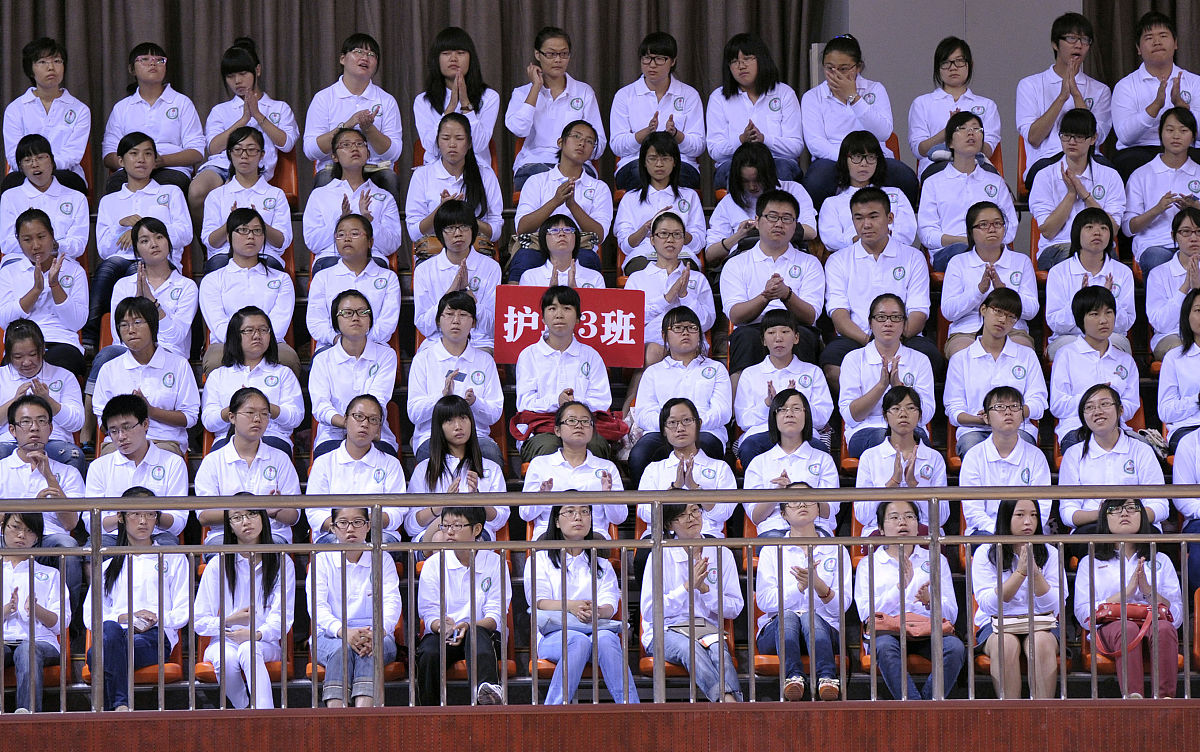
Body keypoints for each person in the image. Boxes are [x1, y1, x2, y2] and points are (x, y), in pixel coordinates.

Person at [820, 189, 938, 386]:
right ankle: (860, 413)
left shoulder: (912, 257)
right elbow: (839, 316)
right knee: (832, 366)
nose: (866, 224)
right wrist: (871, 342)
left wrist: (893, 342)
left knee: (929, 358)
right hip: (857, 338)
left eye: (873, 216)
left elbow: (918, 312)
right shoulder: (838, 260)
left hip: (905, 337)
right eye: (858, 218)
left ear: (890, 218)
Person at [525, 504, 640, 704]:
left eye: (584, 512)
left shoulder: (602, 564)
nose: (578, 517)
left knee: (607, 639)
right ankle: (553, 711)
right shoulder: (539, 560)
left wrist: (596, 611)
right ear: (556, 521)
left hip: (595, 629)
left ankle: (631, 709)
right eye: (570, 512)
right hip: (553, 634)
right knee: (577, 641)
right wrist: (571, 606)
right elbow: (539, 601)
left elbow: (610, 605)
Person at [86, 131, 190, 350]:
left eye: (148, 154)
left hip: (159, 263)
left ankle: (144, 335)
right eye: (134, 153)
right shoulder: (110, 201)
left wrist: (144, 228)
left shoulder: (171, 192)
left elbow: (185, 234)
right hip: (119, 260)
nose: (141, 159)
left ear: (155, 160)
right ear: (121, 161)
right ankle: (91, 333)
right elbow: (104, 249)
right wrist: (119, 226)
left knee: (138, 268)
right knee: (108, 266)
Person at [854, 500, 964, 700]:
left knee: (955, 648)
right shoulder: (868, 563)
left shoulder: (936, 559)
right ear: (881, 528)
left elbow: (952, 613)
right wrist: (900, 588)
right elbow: (865, 613)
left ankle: (924, 706)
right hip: (888, 630)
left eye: (909, 517)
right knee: (885, 648)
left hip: (928, 628)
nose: (902, 522)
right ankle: (916, 706)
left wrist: (930, 602)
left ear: (918, 524)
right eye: (894, 517)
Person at [1074, 498, 1183, 699]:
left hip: (1153, 625)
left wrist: (1147, 590)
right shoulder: (1090, 561)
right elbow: (1084, 614)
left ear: (1142, 517)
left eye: (1132, 508)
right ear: (1104, 519)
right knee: (1127, 627)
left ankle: (1166, 700)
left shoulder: (1160, 559)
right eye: (1115, 509)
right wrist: (1126, 593)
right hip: (1110, 629)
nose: (1124, 513)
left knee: (1165, 628)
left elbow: (1176, 615)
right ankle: (1134, 699)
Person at [83, 509, 190, 711]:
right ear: (121, 518)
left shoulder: (173, 559)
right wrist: (125, 617)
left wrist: (155, 619)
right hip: (116, 633)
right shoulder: (108, 564)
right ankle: (120, 706)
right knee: (110, 631)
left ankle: (113, 709)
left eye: (150, 515)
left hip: (154, 635)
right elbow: (91, 615)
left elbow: (183, 610)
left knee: (98, 655)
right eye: (135, 514)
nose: (143, 521)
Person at [640, 502, 744, 702]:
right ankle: (730, 702)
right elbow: (650, 610)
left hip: (706, 628)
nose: (691, 518)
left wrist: (705, 590)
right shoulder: (660, 554)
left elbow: (735, 608)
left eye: (695, 510)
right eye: (682, 514)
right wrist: (686, 588)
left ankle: (729, 705)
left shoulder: (721, 553)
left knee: (719, 654)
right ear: (670, 525)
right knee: (691, 648)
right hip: (666, 629)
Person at [194, 508, 297, 709]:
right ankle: (245, 710)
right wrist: (228, 622)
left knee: (249, 649)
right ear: (230, 527)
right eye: (237, 517)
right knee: (228, 657)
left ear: (263, 519)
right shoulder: (219, 563)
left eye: (251, 514)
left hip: (265, 641)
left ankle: (264, 715)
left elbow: (283, 617)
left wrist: (255, 634)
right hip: (224, 640)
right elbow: (199, 620)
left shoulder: (282, 562)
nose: (245, 521)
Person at [188, 38, 298, 224]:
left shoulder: (279, 108)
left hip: (257, 168)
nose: (237, 81)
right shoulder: (220, 110)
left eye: (242, 73)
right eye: (230, 76)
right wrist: (244, 120)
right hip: (221, 168)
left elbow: (287, 144)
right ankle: (208, 248)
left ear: (257, 70)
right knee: (196, 192)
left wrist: (258, 115)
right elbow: (213, 148)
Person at [802, 34, 918, 208]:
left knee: (906, 179)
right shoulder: (813, 97)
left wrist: (854, 97)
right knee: (815, 182)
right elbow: (815, 143)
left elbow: (884, 132)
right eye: (829, 68)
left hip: (874, 156)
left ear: (858, 67)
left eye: (844, 68)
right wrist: (849, 160)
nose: (835, 74)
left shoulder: (875, 89)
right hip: (832, 159)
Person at [0, 394, 84, 633]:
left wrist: (50, 477)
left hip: (49, 540)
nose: (34, 428)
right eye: (26, 422)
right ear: (13, 430)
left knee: (68, 546)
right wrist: (30, 508)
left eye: (41, 421)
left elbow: (71, 522)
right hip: (6, 539)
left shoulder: (67, 473)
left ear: (51, 429)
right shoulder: (1, 470)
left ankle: (67, 624)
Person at [755, 500, 852, 701]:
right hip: (776, 633)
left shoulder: (836, 549)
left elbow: (842, 607)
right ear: (782, 514)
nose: (802, 505)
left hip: (825, 632)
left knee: (810, 617)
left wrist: (818, 585)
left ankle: (823, 680)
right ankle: (800, 677)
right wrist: (799, 588)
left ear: (818, 509)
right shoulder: (772, 550)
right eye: (794, 502)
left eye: (808, 501)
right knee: (789, 616)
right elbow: (764, 602)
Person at [720, 189, 825, 374]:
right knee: (745, 339)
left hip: (796, 328)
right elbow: (735, 315)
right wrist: (765, 297)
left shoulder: (810, 263)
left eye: (786, 218)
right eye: (772, 217)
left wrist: (787, 295)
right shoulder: (736, 263)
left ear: (795, 226)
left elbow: (810, 317)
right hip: (752, 328)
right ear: (758, 221)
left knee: (804, 337)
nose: (779, 224)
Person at [416, 506, 510, 705]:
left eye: (457, 526)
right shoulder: (434, 564)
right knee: (430, 651)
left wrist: (468, 626)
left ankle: (487, 699)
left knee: (476, 636)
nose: (449, 532)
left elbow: (496, 614)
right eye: (446, 525)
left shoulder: (494, 562)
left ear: (476, 530)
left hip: (483, 633)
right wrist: (441, 626)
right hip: (445, 633)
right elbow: (428, 611)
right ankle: (429, 712)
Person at [310, 506, 402, 708]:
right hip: (330, 635)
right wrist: (344, 631)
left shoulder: (382, 558)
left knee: (371, 649)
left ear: (368, 526)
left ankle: (364, 717)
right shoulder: (321, 559)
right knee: (342, 649)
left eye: (357, 522)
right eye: (343, 523)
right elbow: (317, 607)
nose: (350, 528)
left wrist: (377, 633)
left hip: (377, 634)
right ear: (333, 528)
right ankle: (335, 717)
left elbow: (392, 602)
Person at [970, 500, 1062, 699]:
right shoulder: (985, 553)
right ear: (1006, 518)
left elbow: (1055, 605)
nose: (1028, 522)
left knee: (1041, 643)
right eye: (1020, 515)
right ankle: (1012, 720)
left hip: (1041, 622)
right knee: (1006, 644)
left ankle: (1044, 715)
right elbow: (988, 605)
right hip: (995, 624)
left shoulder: (1051, 553)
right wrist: (1019, 574)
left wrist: (1035, 574)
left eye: (1034, 515)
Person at [628, 308, 729, 483]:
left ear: (699, 334)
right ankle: (650, 507)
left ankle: (701, 506)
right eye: (678, 328)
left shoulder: (716, 369)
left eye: (691, 328)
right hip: (661, 433)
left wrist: (691, 426)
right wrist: (671, 427)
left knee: (707, 446)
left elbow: (722, 411)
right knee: (640, 455)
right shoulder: (654, 372)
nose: (685, 333)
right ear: (664, 335)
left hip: (704, 431)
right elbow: (644, 414)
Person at [944, 288, 1046, 456]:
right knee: (973, 448)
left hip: (1017, 428)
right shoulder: (961, 358)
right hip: (974, 429)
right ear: (983, 310)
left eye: (1010, 316)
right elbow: (954, 409)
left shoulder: (1026, 355)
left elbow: (1038, 401)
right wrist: (985, 419)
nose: (1002, 320)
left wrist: (1010, 415)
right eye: (998, 311)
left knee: (1020, 447)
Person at [92, 297, 199, 457]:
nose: (131, 330)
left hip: (164, 441)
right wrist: (129, 422)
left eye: (137, 322)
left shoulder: (178, 365)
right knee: (108, 460)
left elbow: (189, 417)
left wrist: (151, 411)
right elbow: (103, 423)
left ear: (152, 325)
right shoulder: (109, 369)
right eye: (123, 325)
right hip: (120, 444)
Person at [514, 286, 611, 461]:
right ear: (542, 317)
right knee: (549, 449)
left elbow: (602, 401)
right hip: (542, 430)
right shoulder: (529, 355)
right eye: (552, 308)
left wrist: (574, 407)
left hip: (582, 427)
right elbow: (524, 402)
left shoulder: (590, 356)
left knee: (596, 447)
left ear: (579, 317)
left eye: (567, 308)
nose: (559, 314)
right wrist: (555, 402)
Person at [199, 208, 299, 377]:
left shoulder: (282, 279)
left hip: (271, 343)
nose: (251, 236)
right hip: (226, 344)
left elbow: (280, 323)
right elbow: (217, 324)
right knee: (216, 360)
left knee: (288, 358)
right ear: (229, 236)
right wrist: (244, 343)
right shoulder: (212, 280)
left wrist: (258, 341)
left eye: (257, 231)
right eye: (243, 230)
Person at [1016, 12, 1112, 188]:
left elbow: (1095, 139)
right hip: (1047, 160)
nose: (1079, 45)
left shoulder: (1100, 90)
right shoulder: (1030, 85)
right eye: (1072, 38)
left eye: (1084, 40)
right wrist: (1062, 97)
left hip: (1088, 160)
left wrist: (1076, 95)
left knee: (1110, 175)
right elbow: (1034, 138)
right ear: (1055, 44)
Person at [195, 387, 300, 545]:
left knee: (272, 551)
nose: (258, 419)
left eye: (264, 414)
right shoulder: (213, 461)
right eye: (250, 413)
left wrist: (276, 512)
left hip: (271, 533)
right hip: (225, 535)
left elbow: (293, 516)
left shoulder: (280, 459)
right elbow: (204, 515)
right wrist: (249, 511)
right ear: (232, 417)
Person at [303, 33, 402, 199]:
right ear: (342, 59)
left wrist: (369, 130)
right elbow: (311, 151)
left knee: (389, 178)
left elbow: (394, 154)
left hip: (375, 169)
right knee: (324, 179)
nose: (365, 58)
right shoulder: (324, 98)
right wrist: (347, 125)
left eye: (371, 55)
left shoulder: (386, 100)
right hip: (334, 168)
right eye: (358, 52)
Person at [835, 294, 935, 458]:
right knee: (885, 440)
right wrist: (881, 386)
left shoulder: (920, 360)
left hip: (909, 429)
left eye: (895, 317)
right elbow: (851, 416)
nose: (888, 323)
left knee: (910, 440)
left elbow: (925, 415)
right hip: (866, 430)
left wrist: (898, 388)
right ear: (870, 323)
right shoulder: (854, 359)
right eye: (881, 317)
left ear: (904, 324)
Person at [510, 120, 611, 282]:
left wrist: (572, 205)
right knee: (524, 258)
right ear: (560, 142)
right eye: (576, 136)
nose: (582, 143)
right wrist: (555, 201)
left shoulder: (599, 187)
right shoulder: (537, 181)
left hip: (579, 247)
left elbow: (598, 236)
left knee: (588, 260)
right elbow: (522, 228)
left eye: (589, 141)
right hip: (537, 245)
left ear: (593, 150)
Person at [407, 294, 503, 465]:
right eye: (449, 314)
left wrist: (475, 402)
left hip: (476, 436)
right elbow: (414, 413)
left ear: (473, 323)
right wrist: (441, 396)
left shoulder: (484, 360)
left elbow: (494, 413)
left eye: (463, 315)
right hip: (432, 435)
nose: (456, 321)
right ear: (438, 321)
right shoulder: (423, 359)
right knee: (434, 460)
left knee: (490, 455)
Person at [1059, 384, 1167, 535]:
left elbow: (1161, 506)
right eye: (1089, 407)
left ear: (1120, 410)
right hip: (1093, 527)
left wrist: (1129, 516)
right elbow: (1067, 512)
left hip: (1137, 526)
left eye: (1104, 404)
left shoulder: (1142, 450)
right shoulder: (1073, 455)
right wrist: (1104, 515)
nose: (1097, 411)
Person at [505, 26, 605, 189]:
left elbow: (598, 144)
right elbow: (519, 129)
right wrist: (536, 87)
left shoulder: (584, 92)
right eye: (551, 54)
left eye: (564, 54)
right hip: (534, 165)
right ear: (537, 54)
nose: (558, 60)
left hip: (576, 165)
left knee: (574, 184)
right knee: (542, 184)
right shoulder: (521, 93)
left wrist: (576, 153)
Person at [1028, 108, 1126, 271]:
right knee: (1081, 256)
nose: (1071, 142)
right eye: (1066, 135)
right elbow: (1048, 231)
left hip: (1099, 248)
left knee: (1101, 260)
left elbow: (1113, 229)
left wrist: (1085, 195)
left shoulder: (1110, 176)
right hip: (1057, 247)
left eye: (1079, 136)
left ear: (1093, 138)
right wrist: (1071, 194)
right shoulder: (1045, 176)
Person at [917, 115, 1018, 272]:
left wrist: (984, 241)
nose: (971, 133)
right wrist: (966, 241)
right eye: (962, 129)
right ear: (949, 142)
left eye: (976, 128)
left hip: (991, 248)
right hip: (950, 252)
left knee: (1019, 261)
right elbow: (927, 234)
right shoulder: (933, 183)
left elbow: (1010, 227)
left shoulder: (995, 182)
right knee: (962, 253)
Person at [101, 42, 204, 194]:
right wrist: (133, 163)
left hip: (171, 169)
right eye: (144, 59)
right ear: (131, 69)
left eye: (159, 60)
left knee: (168, 189)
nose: (153, 63)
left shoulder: (181, 103)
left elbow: (196, 150)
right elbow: (109, 154)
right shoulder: (122, 108)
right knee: (115, 185)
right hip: (130, 171)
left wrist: (161, 161)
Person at [84, 394, 188, 544]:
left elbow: (178, 522)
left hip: (156, 534)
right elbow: (90, 522)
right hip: (112, 536)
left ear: (145, 424)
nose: (121, 437)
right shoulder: (99, 466)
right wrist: (126, 516)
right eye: (113, 431)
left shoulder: (173, 463)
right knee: (91, 553)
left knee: (169, 548)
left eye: (127, 428)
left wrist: (150, 515)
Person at [733, 310, 834, 464]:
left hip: (802, 435)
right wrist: (768, 404)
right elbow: (743, 420)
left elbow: (822, 417)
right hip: (761, 434)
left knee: (819, 450)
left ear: (796, 338)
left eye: (785, 332)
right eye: (771, 332)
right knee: (748, 448)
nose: (778, 338)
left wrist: (798, 404)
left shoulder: (812, 372)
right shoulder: (750, 374)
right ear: (763, 340)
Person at [307, 395, 408, 546]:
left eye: (373, 419)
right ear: (345, 420)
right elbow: (314, 513)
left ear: (379, 428)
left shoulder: (390, 464)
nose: (365, 424)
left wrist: (362, 526)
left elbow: (397, 512)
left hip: (378, 534)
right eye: (359, 417)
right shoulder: (323, 462)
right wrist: (345, 527)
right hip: (334, 534)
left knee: (381, 546)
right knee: (334, 545)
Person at [940, 203, 1038, 358]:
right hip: (968, 330)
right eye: (983, 225)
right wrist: (979, 291)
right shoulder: (958, 262)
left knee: (1023, 351)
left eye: (997, 223)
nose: (992, 229)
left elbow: (1032, 310)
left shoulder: (1021, 261)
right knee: (962, 353)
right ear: (971, 232)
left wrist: (1004, 292)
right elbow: (949, 311)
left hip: (1011, 329)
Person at [405, 395, 507, 545]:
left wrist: (478, 500)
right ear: (439, 427)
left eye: (463, 418)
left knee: (465, 536)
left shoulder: (491, 468)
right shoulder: (424, 469)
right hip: (432, 535)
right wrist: (443, 504)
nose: (458, 426)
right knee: (441, 537)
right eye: (449, 420)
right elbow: (410, 525)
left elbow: (500, 519)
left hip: (475, 533)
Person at [201, 306, 304, 453]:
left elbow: (295, 418)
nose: (257, 336)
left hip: (271, 436)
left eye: (263, 330)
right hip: (229, 438)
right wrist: (239, 408)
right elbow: (209, 421)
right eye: (249, 330)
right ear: (235, 335)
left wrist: (263, 407)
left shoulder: (283, 373)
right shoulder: (219, 376)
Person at [1110, 12, 1200, 180]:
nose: (1157, 42)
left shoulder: (1195, 82)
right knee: (1129, 161)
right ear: (1138, 48)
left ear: (1176, 43)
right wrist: (1155, 107)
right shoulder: (1125, 86)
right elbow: (1125, 137)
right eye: (1149, 37)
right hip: (1141, 149)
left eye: (1163, 36)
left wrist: (1182, 107)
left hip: (1187, 149)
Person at [302, 127, 403, 275]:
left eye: (359, 144)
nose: (354, 148)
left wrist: (370, 221)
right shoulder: (320, 194)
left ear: (367, 154)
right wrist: (340, 221)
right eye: (346, 145)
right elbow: (313, 243)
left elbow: (392, 244)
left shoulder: (384, 197)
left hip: (371, 258)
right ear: (334, 156)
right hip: (331, 257)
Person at [706, 32, 803, 188]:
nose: (741, 66)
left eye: (747, 59)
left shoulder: (784, 93)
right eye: (734, 61)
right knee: (733, 172)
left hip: (777, 161)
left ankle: (775, 213)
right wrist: (741, 140)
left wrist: (764, 139)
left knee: (782, 170)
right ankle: (740, 213)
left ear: (761, 59)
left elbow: (795, 146)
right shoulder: (719, 97)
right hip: (734, 162)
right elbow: (715, 150)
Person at [309, 290, 398, 459]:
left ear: (370, 318)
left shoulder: (386, 355)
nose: (356, 318)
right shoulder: (322, 360)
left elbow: (379, 398)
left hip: (374, 433)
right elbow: (321, 407)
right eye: (348, 313)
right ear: (336, 320)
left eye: (363, 312)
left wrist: (364, 426)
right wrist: (348, 424)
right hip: (333, 435)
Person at [1049, 287, 1140, 451]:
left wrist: (1108, 412)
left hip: (1118, 430)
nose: (1104, 320)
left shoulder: (1126, 360)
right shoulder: (1066, 355)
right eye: (1094, 314)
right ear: (1080, 319)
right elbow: (1058, 405)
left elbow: (1131, 404)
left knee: (1147, 451)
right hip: (1077, 429)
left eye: (1109, 312)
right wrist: (1095, 401)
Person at [610, 31, 704, 190]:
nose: (652, 65)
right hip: (635, 162)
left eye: (660, 59)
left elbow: (698, 146)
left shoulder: (689, 95)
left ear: (673, 61)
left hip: (679, 163)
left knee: (677, 176)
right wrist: (644, 134)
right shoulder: (625, 95)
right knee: (640, 174)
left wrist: (676, 135)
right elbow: (617, 145)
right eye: (647, 58)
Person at [520, 401, 626, 540]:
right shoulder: (540, 464)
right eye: (571, 420)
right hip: (550, 534)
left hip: (593, 536)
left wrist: (608, 496)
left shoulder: (607, 468)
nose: (579, 425)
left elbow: (619, 518)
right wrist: (541, 497)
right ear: (557, 430)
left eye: (585, 421)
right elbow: (525, 514)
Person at [0, 208, 87, 377]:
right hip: (22, 345)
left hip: (61, 342)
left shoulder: (74, 270)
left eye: (41, 237)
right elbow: (5, 321)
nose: (36, 246)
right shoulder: (8, 272)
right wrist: (36, 290)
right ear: (18, 241)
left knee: (59, 364)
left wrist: (54, 285)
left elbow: (77, 322)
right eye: (27, 239)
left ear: (52, 236)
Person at [854, 386, 949, 537]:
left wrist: (915, 488)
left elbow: (942, 517)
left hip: (924, 533)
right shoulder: (870, 456)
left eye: (911, 408)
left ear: (919, 415)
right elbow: (862, 516)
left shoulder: (934, 457)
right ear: (885, 416)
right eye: (896, 408)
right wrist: (891, 485)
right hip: (881, 533)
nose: (903, 414)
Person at [742, 389, 839, 537]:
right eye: (782, 409)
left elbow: (830, 510)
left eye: (796, 408)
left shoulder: (823, 459)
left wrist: (803, 494)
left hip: (815, 529)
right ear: (774, 417)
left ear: (806, 415)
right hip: (774, 530)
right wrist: (777, 494)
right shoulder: (759, 463)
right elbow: (755, 517)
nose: (789, 413)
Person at [959, 386, 1052, 536]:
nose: (1008, 412)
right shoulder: (974, 456)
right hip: (986, 531)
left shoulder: (1036, 456)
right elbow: (973, 511)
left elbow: (1043, 506)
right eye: (999, 407)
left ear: (1022, 415)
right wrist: (1001, 531)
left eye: (1015, 406)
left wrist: (1020, 528)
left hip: (1027, 530)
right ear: (986, 417)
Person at [405, 113, 503, 255]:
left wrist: (466, 217)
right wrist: (441, 211)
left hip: (474, 249)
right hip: (434, 251)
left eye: (459, 138)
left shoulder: (485, 175)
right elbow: (414, 233)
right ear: (438, 142)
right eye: (445, 138)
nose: (452, 144)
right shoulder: (422, 175)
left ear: (469, 143)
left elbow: (495, 232)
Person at [199, 126, 293, 272]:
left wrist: (259, 223)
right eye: (238, 150)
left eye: (251, 149)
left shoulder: (276, 194)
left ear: (261, 154)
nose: (244, 155)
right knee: (216, 265)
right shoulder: (217, 195)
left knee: (272, 268)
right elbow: (210, 243)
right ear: (229, 154)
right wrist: (231, 223)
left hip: (264, 254)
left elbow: (282, 242)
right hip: (225, 255)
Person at [2, 37, 90, 194]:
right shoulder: (15, 109)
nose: (51, 67)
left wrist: (48, 168)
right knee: (11, 184)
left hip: (63, 174)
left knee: (72, 183)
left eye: (57, 61)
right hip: (25, 174)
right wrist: (35, 168)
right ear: (30, 69)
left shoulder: (80, 109)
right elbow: (13, 154)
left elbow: (73, 154)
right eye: (42, 62)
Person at [1046, 208, 1136, 358]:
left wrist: (1108, 299)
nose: (1097, 232)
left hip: (1110, 337)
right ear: (1076, 234)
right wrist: (1081, 303)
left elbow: (1125, 323)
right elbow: (1054, 323)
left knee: (1114, 343)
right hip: (1069, 337)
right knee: (1068, 348)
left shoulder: (1123, 272)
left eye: (1103, 228)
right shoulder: (1058, 272)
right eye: (1089, 227)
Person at [413, 200, 502, 351]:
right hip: (437, 343)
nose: (458, 233)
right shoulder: (424, 270)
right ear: (440, 233)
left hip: (478, 343)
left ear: (473, 230)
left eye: (464, 227)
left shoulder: (490, 267)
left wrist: (470, 298)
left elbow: (492, 326)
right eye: (450, 228)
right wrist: (450, 294)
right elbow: (423, 326)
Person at [907, 36, 1000, 178]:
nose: (953, 67)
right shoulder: (922, 103)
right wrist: (948, 132)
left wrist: (967, 134)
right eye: (946, 62)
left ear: (970, 64)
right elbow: (919, 150)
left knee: (991, 177)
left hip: (977, 166)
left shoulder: (987, 105)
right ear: (938, 67)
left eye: (959, 61)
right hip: (936, 167)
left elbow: (987, 150)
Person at [0, 319, 86, 474]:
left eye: (32, 354)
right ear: (8, 355)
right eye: (18, 357)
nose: (26, 362)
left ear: (43, 350)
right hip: (9, 442)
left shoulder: (64, 376)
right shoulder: (1, 377)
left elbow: (77, 423)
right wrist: (14, 402)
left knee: (73, 455)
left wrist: (48, 401)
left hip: (54, 442)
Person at [614, 132, 706, 274]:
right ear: (644, 162)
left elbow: (697, 244)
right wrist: (646, 228)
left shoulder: (690, 196)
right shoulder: (630, 198)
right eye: (653, 158)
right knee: (643, 272)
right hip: (643, 256)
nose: (659, 164)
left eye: (665, 158)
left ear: (674, 161)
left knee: (685, 270)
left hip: (681, 254)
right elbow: (626, 246)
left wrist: (675, 231)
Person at [306, 213, 399, 350]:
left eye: (354, 234)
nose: (347, 239)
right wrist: (339, 340)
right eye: (341, 235)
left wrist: (362, 343)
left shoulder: (388, 278)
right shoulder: (322, 278)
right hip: (332, 347)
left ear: (370, 242)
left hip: (374, 347)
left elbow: (387, 322)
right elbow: (316, 321)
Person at [625, 214, 714, 356]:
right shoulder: (637, 279)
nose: (670, 240)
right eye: (664, 234)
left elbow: (705, 323)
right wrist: (666, 298)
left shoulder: (698, 279)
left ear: (684, 240)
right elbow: (630, 322)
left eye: (677, 234)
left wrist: (685, 296)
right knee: (652, 352)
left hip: (689, 347)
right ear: (652, 240)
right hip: (649, 347)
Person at [1124, 107, 1200, 275]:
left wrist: (1195, 207)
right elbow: (1128, 228)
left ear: (1193, 135)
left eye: (1183, 130)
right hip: (1155, 245)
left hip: (1195, 245)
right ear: (1160, 133)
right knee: (1158, 263)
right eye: (1170, 130)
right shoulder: (1141, 175)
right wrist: (1157, 210)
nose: (1176, 136)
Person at [109, 217, 198, 358]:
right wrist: (137, 304)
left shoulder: (187, 286)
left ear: (168, 242)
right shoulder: (123, 285)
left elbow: (175, 337)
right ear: (137, 251)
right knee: (107, 355)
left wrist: (152, 303)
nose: (154, 244)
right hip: (128, 353)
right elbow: (118, 333)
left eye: (159, 237)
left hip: (169, 353)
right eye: (145, 240)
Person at [1, 512, 63, 712]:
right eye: (16, 527)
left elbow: (61, 623)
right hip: (4, 639)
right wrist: (5, 610)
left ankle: (27, 714)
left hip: (41, 641)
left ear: (37, 538)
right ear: (3, 529)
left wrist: (37, 610)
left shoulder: (51, 574)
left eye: (29, 531)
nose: (21, 535)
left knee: (27, 649)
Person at [816, 131, 916, 253]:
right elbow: (830, 239)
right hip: (850, 260)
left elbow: (908, 232)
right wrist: (856, 240)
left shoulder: (896, 194)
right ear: (845, 160)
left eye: (870, 157)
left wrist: (882, 240)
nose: (864, 164)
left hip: (894, 255)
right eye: (857, 157)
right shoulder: (832, 203)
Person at [414, 27, 499, 167]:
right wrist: (450, 108)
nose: (453, 58)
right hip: (435, 170)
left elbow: (479, 145)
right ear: (437, 59)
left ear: (471, 58)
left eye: (460, 53)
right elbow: (431, 147)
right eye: (446, 53)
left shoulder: (489, 97)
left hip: (476, 170)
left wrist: (465, 104)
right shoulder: (423, 101)